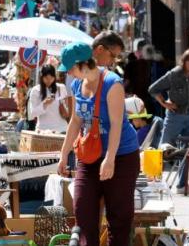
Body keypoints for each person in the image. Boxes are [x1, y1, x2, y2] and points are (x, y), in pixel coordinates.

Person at [56, 42, 139, 246]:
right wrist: (64, 154)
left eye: (71, 69)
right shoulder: (77, 85)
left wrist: (110, 159)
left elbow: (117, 125)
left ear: (83, 64)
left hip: (121, 156)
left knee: (119, 218)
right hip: (90, 155)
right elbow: (76, 121)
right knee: (83, 209)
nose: (69, 75)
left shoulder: (112, 83)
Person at [150, 49, 189, 146]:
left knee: (188, 148)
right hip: (174, 116)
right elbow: (153, 89)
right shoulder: (173, 75)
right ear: (188, 64)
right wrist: (165, 103)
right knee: (165, 147)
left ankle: (185, 161)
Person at [27, 64, 71, 133]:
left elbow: (67, 108)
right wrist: (44, 104)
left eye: (52, 78)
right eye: (46, 78)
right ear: (41, 77)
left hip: (62, 128)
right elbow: (32, 114)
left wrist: (63, 103)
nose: (49, 80)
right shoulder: (36, 90)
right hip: (43, 130)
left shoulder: (61, 88)